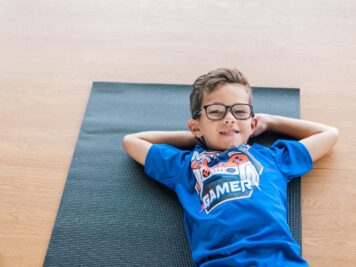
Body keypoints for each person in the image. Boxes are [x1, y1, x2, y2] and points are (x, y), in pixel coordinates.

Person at [123, 68, 339, 266]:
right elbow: (133, 141)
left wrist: (270, 121)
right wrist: (199, 137)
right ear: (196, 125)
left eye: (240, 111)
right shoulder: (186, 166)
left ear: (252, 124)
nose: (229, 119)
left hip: (278, 260)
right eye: (216, 112)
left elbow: (329, 135)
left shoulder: (271, 158)